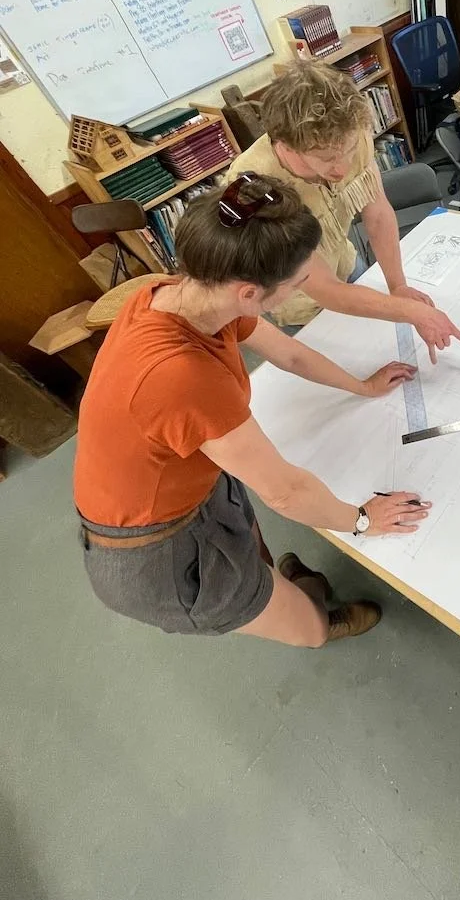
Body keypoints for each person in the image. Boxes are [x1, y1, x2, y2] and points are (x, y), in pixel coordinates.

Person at [74, 173, 432, 647]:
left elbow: (291, 354)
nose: (305, 286)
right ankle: (315, 615)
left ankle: (284, 586)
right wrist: (363, 519)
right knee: (310, 633)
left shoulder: (183, 292)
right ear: (249, 292)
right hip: (154, 550)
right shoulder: (182, 375)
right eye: (299, 281)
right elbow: (284, 492)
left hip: (188, 488)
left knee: (255, 558)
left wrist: (362, 386)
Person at [225, 59, 460, 362]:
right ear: (286, 146)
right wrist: (410, 311)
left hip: (345, 262)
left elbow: (378, 212)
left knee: (376, 352)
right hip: (297, 302)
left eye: (349, 151)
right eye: (326, 157)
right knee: (339, 369)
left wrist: (398, 286)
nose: (342, 167)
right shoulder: (254, 184)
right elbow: (324, 288)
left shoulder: (349, 132)